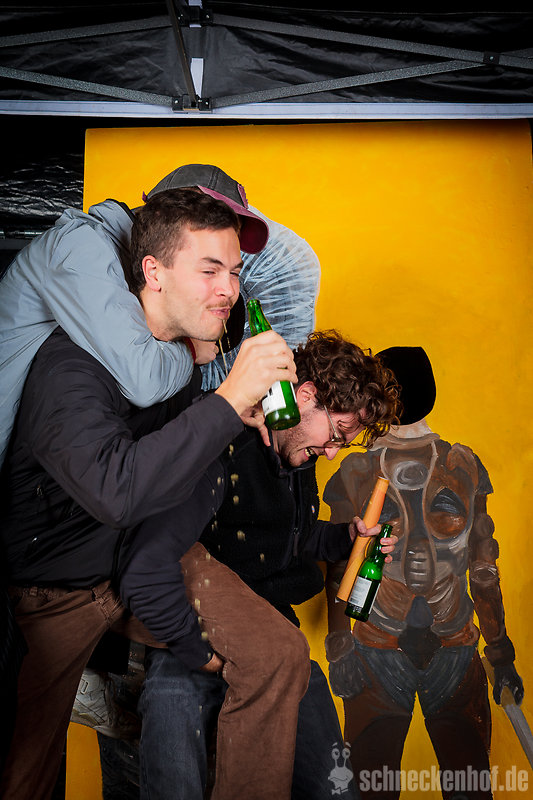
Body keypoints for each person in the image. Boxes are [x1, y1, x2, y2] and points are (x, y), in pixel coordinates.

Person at [0, 187, 311, 800]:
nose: (229, 290)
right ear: (154, 272)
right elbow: (116, 490)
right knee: (24, 773)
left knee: (280, 653)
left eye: (235, 272)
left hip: (144, 553)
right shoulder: (68, 368)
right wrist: (227, 401)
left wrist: (238, 416)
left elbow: (175, 449)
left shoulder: (174, 353)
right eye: (210, 270)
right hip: (59, 591)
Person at [96, 330, 400, 800]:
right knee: (174, 770)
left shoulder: (297, 456)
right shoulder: (224, 445)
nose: (332, 451)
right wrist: (197, 652)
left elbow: (291, 539)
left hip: (277, 632)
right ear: (305, 396)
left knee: (335, 789)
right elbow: (154, 559)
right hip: (194, 639)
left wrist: (346, 538)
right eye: (337, 434)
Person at [323, 346, 524, 800]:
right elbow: (484, 569)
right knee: (466, 789)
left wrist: (340, 646)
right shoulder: (460, 466)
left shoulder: (357, 470)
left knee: (372, 789)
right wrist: (500, 654)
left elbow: (339, 571)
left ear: (377, 395)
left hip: (397, 649)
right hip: (418, 647)